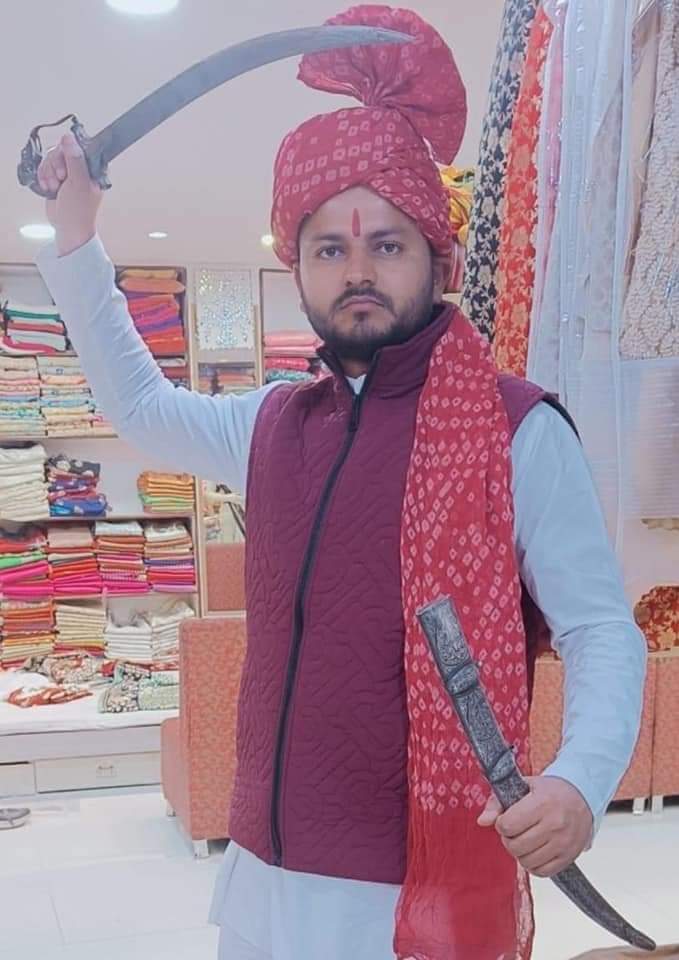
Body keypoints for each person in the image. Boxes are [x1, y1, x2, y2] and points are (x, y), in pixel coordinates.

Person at [35, 6, 646, 959]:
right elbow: (143, 409)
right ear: (299, 267)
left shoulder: (517, 429)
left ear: (437, 257)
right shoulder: (274, 423)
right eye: (330, 248)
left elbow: (600, 628)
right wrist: (76, 239)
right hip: (264, 867)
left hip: (412, 885)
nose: (357, 271)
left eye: (385, 245)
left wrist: (578, 779)